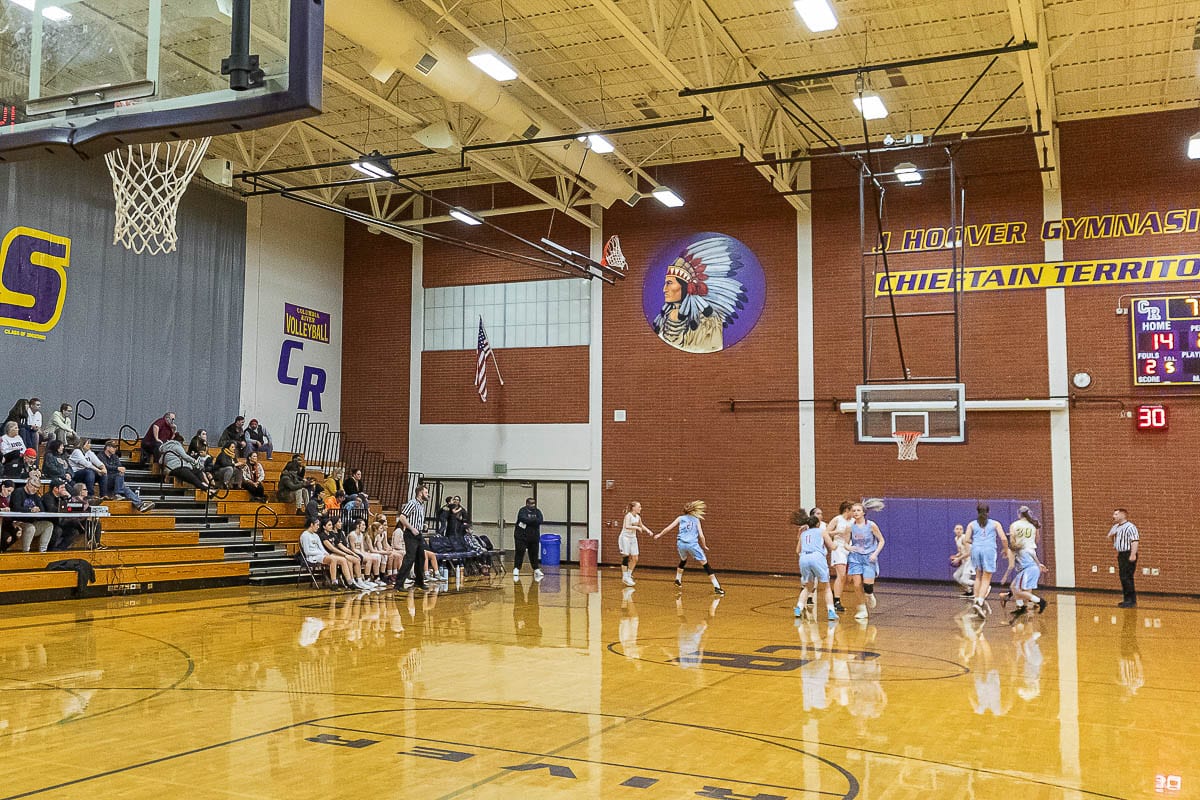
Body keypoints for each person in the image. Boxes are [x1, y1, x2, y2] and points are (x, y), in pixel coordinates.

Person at [651, 237, 749, 353]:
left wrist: (676, 322)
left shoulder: (709, 322)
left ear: (687, 287)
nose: (664, 289)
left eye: (669, 283)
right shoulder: (664, 318)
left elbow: (699, 350)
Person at [655, 500, 725, 595]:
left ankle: (678, 579)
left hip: (681, 544)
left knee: (683, 559)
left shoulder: (680, 518)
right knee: (705, 564)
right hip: (692, 545)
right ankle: (717, 587)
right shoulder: (696, 520)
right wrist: (704, 545)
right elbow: (701, 535)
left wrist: (659, 535)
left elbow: (668, 528)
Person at [964, 503, 1008, 618]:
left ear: (977, 511)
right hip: (989, 550)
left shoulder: (972, 524)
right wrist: (1006, 549)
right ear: (988, 512)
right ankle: (980, 601)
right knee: (987, 577)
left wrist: (976, 543)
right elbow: (1003, 538)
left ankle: (976, 600)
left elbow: (966, 540)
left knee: (978, 576)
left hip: (976, 549)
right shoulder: (995, 523)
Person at [795, 511, 839, 622]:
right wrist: (838, 544)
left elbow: (797, 550)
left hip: (804, 558)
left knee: (808, 586)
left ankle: (799, 608)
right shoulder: (822, 531)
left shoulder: (803, 534)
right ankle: (831, 612)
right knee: (827, 587)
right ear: (818, 524)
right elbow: (832, 547)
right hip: (817, 557)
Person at [1006, 506, 1047, 618]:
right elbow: (1037, 540)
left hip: (1021, 553)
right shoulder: (1033, 524)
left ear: (1019, 514)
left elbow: (1013, 542)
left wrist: (1010, 551)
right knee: (1019, 584)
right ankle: (1022, 606)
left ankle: (1032, 603)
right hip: (1030, 552)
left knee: (1017, 586)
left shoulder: (1014, 525)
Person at [847, 502, 885, 621]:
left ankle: (869, 595)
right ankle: (862, 609)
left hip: (869, 557)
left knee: (868, 586)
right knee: (857, 584)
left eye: (858, 510)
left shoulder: (871, 525)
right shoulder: (850, 527)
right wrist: (847, 547)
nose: (856, 513)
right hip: (855, 557)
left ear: (863, 512)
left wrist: (875, 554)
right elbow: (844, 542)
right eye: (854, 511)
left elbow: (882, 541)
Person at [299, 517, 354, 591]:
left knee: (343, 560)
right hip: (312, 557)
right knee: (333, 559)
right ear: (311, 524)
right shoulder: (305, 535)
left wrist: (326, 554)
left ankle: (350, 583)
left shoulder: (316, 535)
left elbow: (322, 548)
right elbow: (307, 552)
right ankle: (334, 583)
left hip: (321, 555)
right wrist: (322, 553)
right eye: (317, 525)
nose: (318, 527)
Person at [98, 440, 154, 512]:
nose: (115, 449)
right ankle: (118, 493)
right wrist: (117, 469)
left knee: (125, 487)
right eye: (113, 447)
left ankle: (140, 505)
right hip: (105, 480)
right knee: (119, 475)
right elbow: (105, 467)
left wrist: (119, 469)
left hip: (115, 481)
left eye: (115, 447)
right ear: (108, 447)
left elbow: (119, 466)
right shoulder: (100, 456)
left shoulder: (115, 457)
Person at [394, 484, 430, 590]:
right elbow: (402, 517)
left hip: (419, 534)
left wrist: (422, 526)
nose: (428, 495)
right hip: (410, 534)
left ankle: (419, 581)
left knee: (421, 557)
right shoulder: (412, 503)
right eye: (426, 492)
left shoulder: (421, 505)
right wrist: (411, 528)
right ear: (420, 493)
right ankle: (399, 583)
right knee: (409, 558)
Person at [1108, 508, 1139, 608]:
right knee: (1123, 577)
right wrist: (1113, 538)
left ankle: (1131, 600)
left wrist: (1133, 554)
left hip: (1128, 553)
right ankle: (1126, 599)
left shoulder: (1130, 527)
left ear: (1123, 515)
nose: (1114, 516)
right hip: (1121, 554)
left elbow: (1135, 541)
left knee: (1127, 577)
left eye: (1116, 514)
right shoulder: (1116, 527)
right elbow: (1109, 536)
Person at [12, 472, 51, 552]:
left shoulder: (35, 495)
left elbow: (42, 510)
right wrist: (31, 510)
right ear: (28, 483)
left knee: (48, 525)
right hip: (18, 522)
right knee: (30, 528)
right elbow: (16, 508)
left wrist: (38, 510)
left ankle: (43, 551)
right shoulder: (18, 492)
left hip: (31, 522)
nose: (35, 489)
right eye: (33, 486)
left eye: (37, 487)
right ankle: (26, 552)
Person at [827, 501, 854, 613]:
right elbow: (826, 532)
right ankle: (837, 601)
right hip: (838, 548)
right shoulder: (837, 519)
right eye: (852, 510)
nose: (854, 513)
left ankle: (835, 593)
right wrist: (837, 531)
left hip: (850, 547)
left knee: (849, 578)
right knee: (841, 575)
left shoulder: (854, 521)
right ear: (846, 510)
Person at [619, 501, 653, 587]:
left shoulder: (638, 517)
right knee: (626, 556)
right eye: (639, 507)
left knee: (635, 558)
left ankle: (629, 575)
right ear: (633, 508)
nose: (640, 508)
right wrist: (636, 527)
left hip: (633, 538)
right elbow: (626, 526)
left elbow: (641, 525)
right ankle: (624, 576)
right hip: (625, 537)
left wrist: (648, 530)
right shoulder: (628, 516)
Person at [52, 482, 91, 551]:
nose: (87, 491)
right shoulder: (72, 499)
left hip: (79, 521)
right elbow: (73, 509)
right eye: (85, 489)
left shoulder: (86, 501)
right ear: (80, 491)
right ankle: (58, 548)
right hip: (69, 521)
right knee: (79, 524)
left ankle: (94, 543)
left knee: (95, 522)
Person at [514, 497, 544, 582]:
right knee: (520, 552)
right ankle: (516, 568)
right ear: (527, 503)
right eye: (531, 503)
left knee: (534, 553)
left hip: (534, 537)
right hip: (521, 537)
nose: (532, 505)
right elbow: (523, 519)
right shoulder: (522, 511)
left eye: (534, 503)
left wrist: (531, 521)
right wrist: (533, 521)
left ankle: (536, 569)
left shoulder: (537, 511)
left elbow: (540, 520)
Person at [949, 524, 975, 598]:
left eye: (960, 529)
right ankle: (969, 591)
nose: (959, 530)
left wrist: (958, 559)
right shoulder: (956, 538)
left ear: (963, 531)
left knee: (964, 580)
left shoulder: (964, 538)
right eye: (957, 529)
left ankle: (983, 586)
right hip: (965, 561)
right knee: (956, 576)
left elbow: (969, 553)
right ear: (954, 530)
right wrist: (957, 555)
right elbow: (961, 551)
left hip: (971, 560)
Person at [0, 480, 18, 552]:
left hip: (6, 523)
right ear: (3, 487)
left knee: (18, 532)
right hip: (1, 524)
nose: (9, 493)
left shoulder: (5, 498)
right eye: (8, 491)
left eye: (11, 492)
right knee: (8, 537)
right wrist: (1, 509)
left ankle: (3, 551)